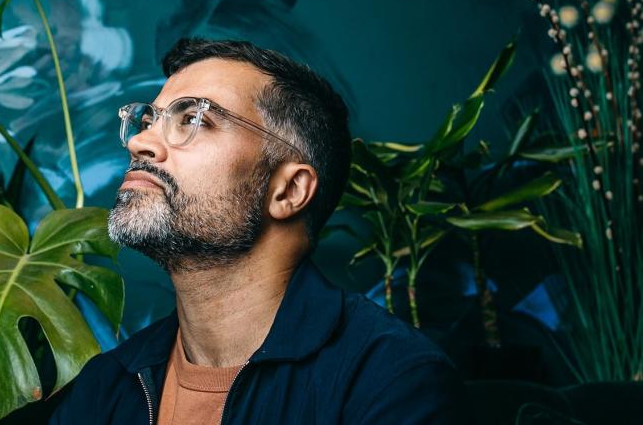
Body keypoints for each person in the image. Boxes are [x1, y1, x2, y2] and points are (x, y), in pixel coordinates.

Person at [50, 38, 470, 424]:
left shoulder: (391, 381)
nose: (140, 142)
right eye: (149, 119)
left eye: (193, 118)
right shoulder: (105, 386)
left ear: (287, 190)